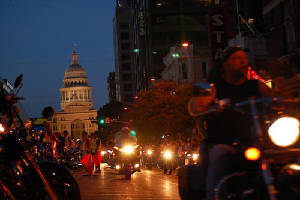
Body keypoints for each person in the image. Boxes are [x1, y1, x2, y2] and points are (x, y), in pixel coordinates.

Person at [188, 46, 289, 200]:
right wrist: (209, 106)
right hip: (225, 143)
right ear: (225, 65)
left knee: (286, 156)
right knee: (218, 155)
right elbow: (195, 107)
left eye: (244, 58)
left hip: (255, 141)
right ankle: (212, 195)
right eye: (236, 58)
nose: (242, 61)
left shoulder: (256, 85)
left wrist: (282, 99)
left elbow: (275, 98)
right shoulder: (216, 88)